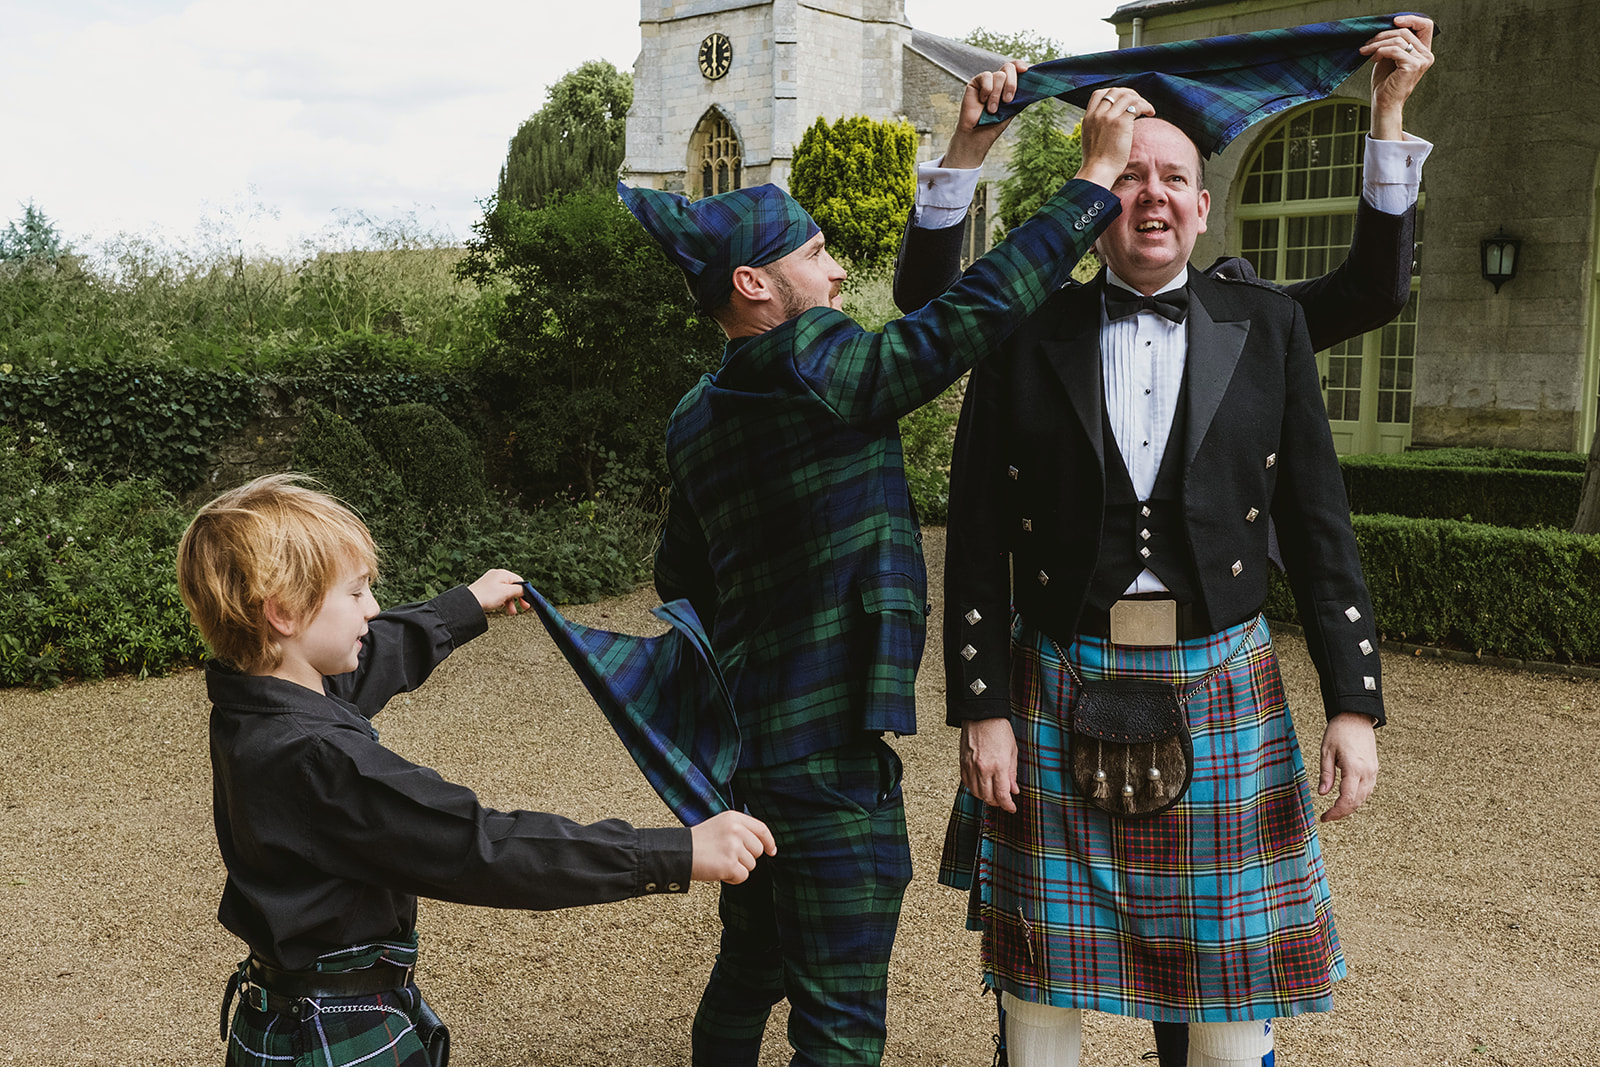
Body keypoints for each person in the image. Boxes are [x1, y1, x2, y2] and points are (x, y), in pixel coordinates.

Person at [892, 17, 1435, 1067]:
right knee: (1039, 997)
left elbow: (1322, 532)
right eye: (1126, 177)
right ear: (1096, 209)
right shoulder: (1023, 329)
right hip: (1058, 669)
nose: (1150, 194)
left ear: (1199, 206)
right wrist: (982, 710)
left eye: (1171, 177)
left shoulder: (1261, 326)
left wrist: (1355, 703)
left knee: (1232, 1014)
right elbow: (932, 336)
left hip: (1222, 673)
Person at [618, 76, 1149, 1067]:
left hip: (748, 752)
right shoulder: (814, 360)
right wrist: (1092, 182)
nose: (836, 268)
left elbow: (680, 577)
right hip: (828, 763)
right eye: (815, 253)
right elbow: (962, 320)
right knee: (841, 1022)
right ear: (752, 282)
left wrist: (966, 151)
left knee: (751, 968)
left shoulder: (693, 414)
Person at [178, 473, 776, 1067]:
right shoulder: (318, 760)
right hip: (332, 1040)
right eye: (357, 593)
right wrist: (677, 852)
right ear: (282, 612)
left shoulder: (252, 702)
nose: (374, 607)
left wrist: (464, 606)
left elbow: (367, 660)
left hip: (287, 1014)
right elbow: (480, 846)